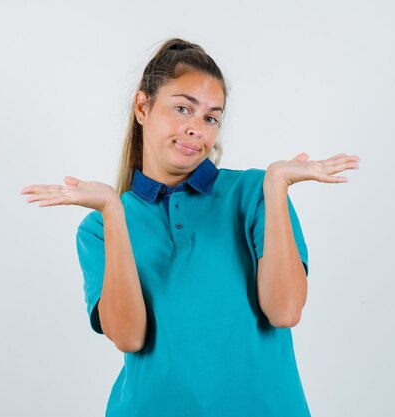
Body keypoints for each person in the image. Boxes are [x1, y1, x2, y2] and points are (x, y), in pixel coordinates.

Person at [21, 38, 359, 417]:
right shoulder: (99, 227)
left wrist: (277, 183)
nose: (196, 128)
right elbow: (129, 337)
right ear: (142, 107)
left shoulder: (255, 193)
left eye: (210, 117)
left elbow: (284, 311)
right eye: (183, 108)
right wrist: (114, 211)